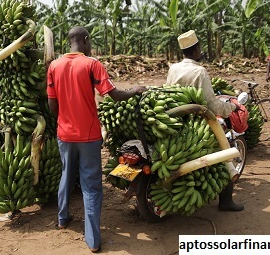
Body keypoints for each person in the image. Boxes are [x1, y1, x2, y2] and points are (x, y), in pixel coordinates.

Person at [47, 26, 146, 253]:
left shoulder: (54, 66)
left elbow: (52, 105)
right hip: (89, 135)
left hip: (64, 134)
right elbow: (114, 94)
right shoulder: (92, 64)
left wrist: (65, 119)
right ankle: (92, 240)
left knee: (66, 174)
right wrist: (135, 89)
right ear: (86, 40)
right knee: (91, 186)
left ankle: (62, 219)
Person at [166, 30, 244, 212]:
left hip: (175, 121)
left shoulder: (173, 68)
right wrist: (231, 107)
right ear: (195, 50)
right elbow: (212, 104)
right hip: (198, 123)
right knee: (225, 151)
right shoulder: (199, 72)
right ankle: (226, 201)